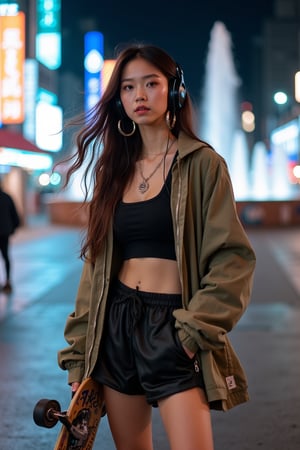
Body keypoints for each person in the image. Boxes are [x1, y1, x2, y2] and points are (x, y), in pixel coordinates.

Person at [57, 43, 256, 450]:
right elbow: (95, 271)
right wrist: (79, 354)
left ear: (174, 90)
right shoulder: (112, 171)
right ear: (119, 99)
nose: (140, 95)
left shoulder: (202, 164)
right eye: (128, 88)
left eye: (151, 83)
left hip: (173, 327)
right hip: (116, 326)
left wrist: (190, 333)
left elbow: (232, 259)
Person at [0, 180, 20, 294]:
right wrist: (12, 229)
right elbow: (15, 215)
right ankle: (7, 281)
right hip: (4, 232)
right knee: (6, 256)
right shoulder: (7, 197)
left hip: (4, 231)